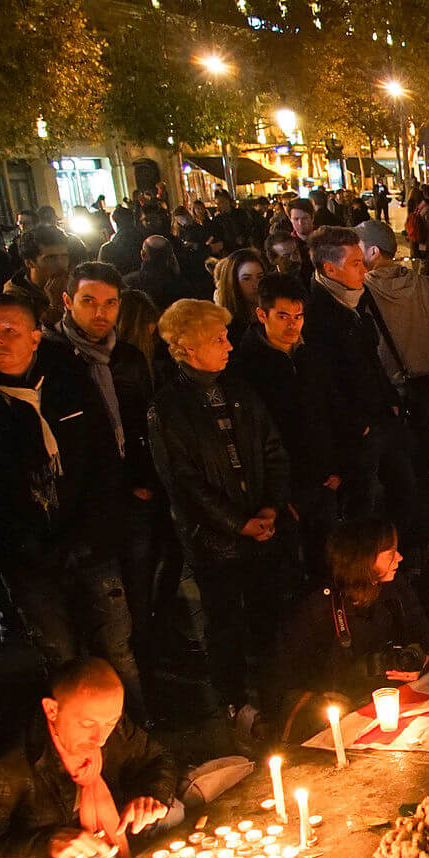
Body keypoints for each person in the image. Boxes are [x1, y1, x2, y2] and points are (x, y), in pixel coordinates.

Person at [0, 294, 140, 710]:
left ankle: (134, 734)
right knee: (58, 655)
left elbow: (103, 461)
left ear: (34, 338)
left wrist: (88, 533)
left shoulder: (69, 384)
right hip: (27, 558)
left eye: (10, 331)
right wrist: (29, 547)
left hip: (90, 542)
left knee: (115, 648)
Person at [149, 300, 291, 725]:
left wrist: (270, 507)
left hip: (261, 526)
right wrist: (236, 523)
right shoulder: (169, 408)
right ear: (188, 349)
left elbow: (273, 450)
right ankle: (234, 701)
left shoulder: (239, 391)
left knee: (269, 612)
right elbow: (184, 483)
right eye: (218, 339)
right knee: (225, 621)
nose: (229, 345)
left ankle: (277, 692)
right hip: (215, 540)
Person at [0, 657, 180, 858]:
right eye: (87, 725)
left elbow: (157, 758)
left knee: (170, 812)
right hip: (42, 850)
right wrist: (45, 845)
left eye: (110, 723)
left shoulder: (107, 719)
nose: (100, 738)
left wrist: (151, 797)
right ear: (52, 710)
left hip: (101, 820)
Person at [40, 263, 164, 658]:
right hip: (84, 501)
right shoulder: (50, 359)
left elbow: (143, 419)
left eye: (110, 303)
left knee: (138, 586)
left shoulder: (126, 356)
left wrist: (143, 478)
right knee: (95, 605)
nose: (100, 313)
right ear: (67, 301)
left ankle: (146, 663)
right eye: (89, 301)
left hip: (133, 494)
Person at [297, 225, 421, 546]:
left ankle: (398, 553)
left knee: (404, 487)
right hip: (357, 432)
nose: (363, 269)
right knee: (361, 504)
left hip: (380, 416)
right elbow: (324, 383)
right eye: (354, 263)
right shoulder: (317, 316)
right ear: (329, 269)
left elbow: (371, 359)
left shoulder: (355, 300)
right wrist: (359, 426)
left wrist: (391, 401)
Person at [356, 219, 429, 532]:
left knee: (395, 475)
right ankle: (422, 527)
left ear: (373, 251)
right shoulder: (424, 286)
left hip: (388, 399)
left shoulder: (362, 294)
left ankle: (404, 537)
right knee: (422, 467)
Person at [232, 274, 341, 573]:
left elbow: (330, 411)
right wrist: (278, 496)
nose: (293, 324)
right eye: (283, 316)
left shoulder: (310, 353)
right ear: (261, 315)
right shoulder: (248, 367)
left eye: (298, 316)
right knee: (288, 571)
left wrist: (336, 469)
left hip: (323, 481)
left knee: (327, 566)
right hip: (284, 492)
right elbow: (255, 438)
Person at [276, 518, 429, 716]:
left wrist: (418, 661)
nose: (400, 558)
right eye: (391, 553)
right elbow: (289, 678)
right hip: (339, 713)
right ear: (364, 559)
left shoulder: (395, 586)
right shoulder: (317, 606)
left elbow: (426, 637)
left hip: (394, 700)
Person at [212, 247, 268, 340]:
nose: (256, 285)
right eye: (246, 279)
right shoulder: (225, 328)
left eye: (260, 277)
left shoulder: (273, 315)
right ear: (233, 283)